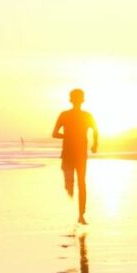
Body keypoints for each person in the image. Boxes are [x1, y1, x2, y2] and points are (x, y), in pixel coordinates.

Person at [52, 88, 99, 224]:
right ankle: (70, 188)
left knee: (81, 183)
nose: (77, 101)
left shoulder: (85, 115)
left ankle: (81, 215)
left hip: (79, 154)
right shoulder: (65, 115)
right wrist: (94, 143)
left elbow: (95, 129)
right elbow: (54, 133)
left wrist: (95, 143)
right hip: (71, 153)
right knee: (76, 183)